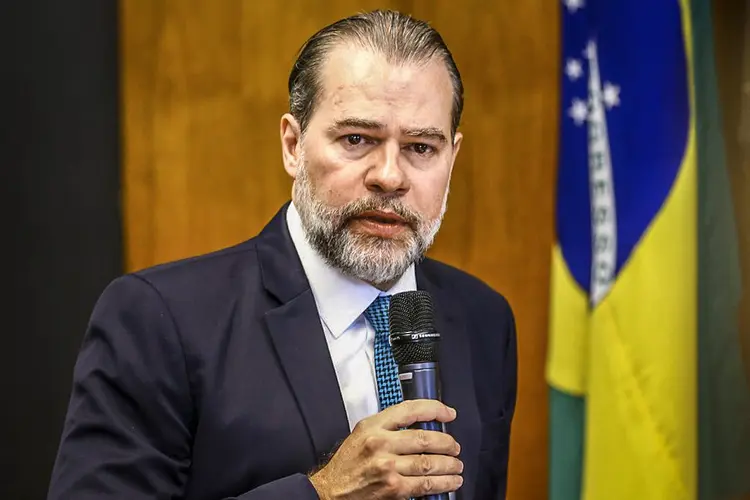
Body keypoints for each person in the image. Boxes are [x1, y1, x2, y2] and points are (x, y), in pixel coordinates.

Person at [47, 9, 517, 500]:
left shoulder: (483, 319)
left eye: (421, 147)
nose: (390, 176)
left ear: (452, 157)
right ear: (293, 145)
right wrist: (324, 493)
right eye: (357, 140)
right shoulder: (158, 320)